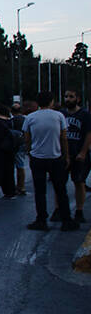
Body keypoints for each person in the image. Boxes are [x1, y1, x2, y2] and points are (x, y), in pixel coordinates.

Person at [24, 91, 79, 231]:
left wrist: (30, 152)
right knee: (61, 190)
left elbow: (27, 137)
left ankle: (41, 220)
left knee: (40, 191)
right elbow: (64, 137)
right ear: (51, 102)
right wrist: (66, 156)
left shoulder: (30, 117)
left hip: (37, 157)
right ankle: (66, 220)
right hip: (55, 157)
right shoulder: (59, 116)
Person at [59, 89, 91, 223]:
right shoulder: (61, 114)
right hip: (63, 154)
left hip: (78, 152)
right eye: (66, 96)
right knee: (59, 183)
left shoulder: (84, 114)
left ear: (77, 99)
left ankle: (79, 210)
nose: (68, 99)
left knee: (79, 182)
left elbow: (89, 134)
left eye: (71, 96)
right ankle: (58, 209)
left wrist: (83, 152)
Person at [10, 103, 28, 196]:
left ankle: (19, 186)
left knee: (15, 166)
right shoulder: (26, 119)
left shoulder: (12, 121)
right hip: (23, 143)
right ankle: (22, 186)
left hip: (14, 145)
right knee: (21, 166)